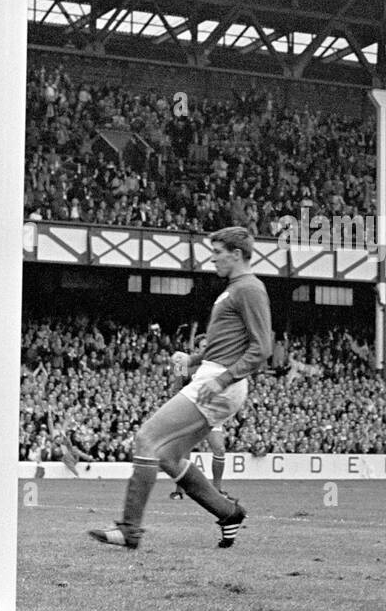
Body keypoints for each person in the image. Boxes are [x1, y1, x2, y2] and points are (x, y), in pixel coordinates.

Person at [88, 227, 272, 549]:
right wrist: (192, 359)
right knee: (167, 458)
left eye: (217, 252)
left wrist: (220, 379)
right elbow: (223, 348)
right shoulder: (234, 290)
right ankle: (228, 513)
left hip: (219, 383)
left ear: (237, 254)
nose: (212, 258)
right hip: (214, 378)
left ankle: (130, 529)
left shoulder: (249, 289)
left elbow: (262, 349)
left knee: (146, 438)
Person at [171, 335, 228, 499]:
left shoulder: (217, 366)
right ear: (196, 349)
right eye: (204, 346)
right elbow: (176, 388)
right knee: (185, 450)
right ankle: (179, 490)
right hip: (191, 410)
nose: (207, 349)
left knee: (219, 448)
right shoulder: (183, 364)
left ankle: (217, 490)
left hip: (211, 412)